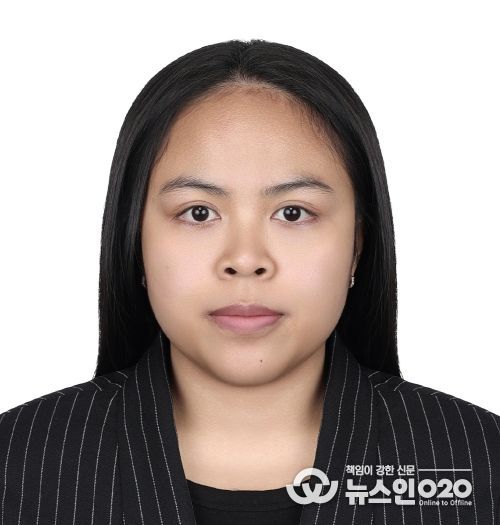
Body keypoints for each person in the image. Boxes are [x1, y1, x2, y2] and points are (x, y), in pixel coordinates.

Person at [1, 39, 499, 525]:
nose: (244, 260)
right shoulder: (16, 461)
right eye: (199, 212)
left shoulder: (480, 461)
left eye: (293, 212)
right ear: (135, 240)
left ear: (357, 244)